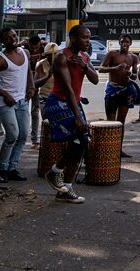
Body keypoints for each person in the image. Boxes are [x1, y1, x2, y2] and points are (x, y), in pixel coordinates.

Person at [42, 24, 100, 203]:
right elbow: (67, 89)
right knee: (81, 139)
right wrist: (77, 116)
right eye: (84, 37)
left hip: (73, 103)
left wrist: (84, 66)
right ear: (74, 38)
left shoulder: (84, 57)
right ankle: (55, 173)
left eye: (89, 38)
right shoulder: (61, 57)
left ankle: (65, 188)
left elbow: (95, 79)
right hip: (60, 103)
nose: (87, 41)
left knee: (81, 143)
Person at [0, 28, 35, 183]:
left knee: (23, 135)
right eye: (8, 38)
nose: (12, 39)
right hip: (6, 103)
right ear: (3, 41)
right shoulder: (0, 59)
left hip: (22, 101)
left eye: (14, 36)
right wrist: (4, 94)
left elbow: (29, 71)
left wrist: (31, 87)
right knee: (12, 135)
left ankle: (13, 168)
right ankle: (2, 169)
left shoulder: (25, 53)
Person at [100, 33, 140, 157]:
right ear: (119, 43)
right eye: (122, 41)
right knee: (111, 122)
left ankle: (118, 149)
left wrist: (131, 74)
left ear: (130, 44)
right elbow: (101, 68)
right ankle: (109, 149)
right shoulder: (112, 54)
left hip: (125, 90)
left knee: (121, 122)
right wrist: (115, 68)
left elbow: (135, 74)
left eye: (127, 42)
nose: (124, 44)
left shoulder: (133, 57)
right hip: (112, 89)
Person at [32, 42, 59, 146]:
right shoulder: (40, 64)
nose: (53, 56)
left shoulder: (62, 63)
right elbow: (35, 83)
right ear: (46, 55)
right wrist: (48, 76)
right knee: (47, 124)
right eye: (51, 55)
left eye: (56, 54)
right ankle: (47, 147)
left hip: (59, 98)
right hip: (45, 98)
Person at [26, 35, 45, 149]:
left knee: (35, 112)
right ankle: (22, 137)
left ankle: (34, 140)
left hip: (38, 84)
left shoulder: (44, 48)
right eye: (32, 47)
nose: (34, 49)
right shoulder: (24, 48)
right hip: (26, 84)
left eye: (36, 47)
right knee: (22, 110)